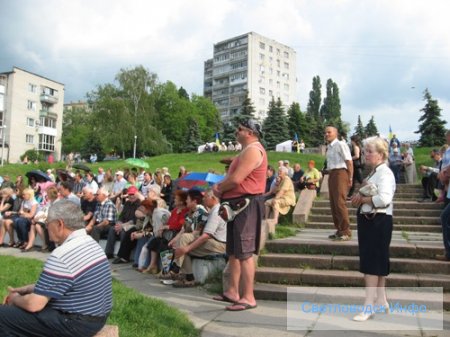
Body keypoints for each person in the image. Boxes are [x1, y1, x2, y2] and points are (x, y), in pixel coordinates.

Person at [0, 200, 112, 336]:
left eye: (48, 223)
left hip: (76, 323)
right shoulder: (91, 244)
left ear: (59, 224)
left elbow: (33, 305)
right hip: (98, 317)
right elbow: (65, 284)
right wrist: (27, 289)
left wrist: (14, 299)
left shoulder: (63, 254)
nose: (46, 227)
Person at [212, 118, 267, 311]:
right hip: (238, 205)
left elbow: (236, 180)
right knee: (235, 252)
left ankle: (248, 297)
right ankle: (233, 292)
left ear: (250, 132)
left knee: (244, 253)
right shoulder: (246, 150)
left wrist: (218, 188)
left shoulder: (253, 150)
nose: (236, 131)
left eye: (240, 129)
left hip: (246, 204)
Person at [350, 137, 396, 321]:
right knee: (378, 263)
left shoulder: (384, 173)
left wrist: (362, 199)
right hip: (372, 220)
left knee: (371, 263)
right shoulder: (374, 173)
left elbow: (384, 199)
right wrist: (358, 198)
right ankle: (381, 300)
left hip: (378, 220)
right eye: (365, 150)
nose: (366, 154)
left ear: (381, 154)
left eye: (370, 151)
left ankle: (368, 307)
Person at [172, 189, 227, 287]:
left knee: (184, 248)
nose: (203, 199)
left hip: (219, 244)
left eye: (206, 197)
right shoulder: (213, 210)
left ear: (213, 198)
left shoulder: (216, 212)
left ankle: (180, 271)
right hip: (212, 241)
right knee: (184, 241)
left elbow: (206, 236)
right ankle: (184, 274)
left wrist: (187, 248)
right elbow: (201, 232)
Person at [325, 126, 353, 241]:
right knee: (333, 203)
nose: (326, 134)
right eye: (325, 132)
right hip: (332, 174)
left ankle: (346, 231)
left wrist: (350, 177)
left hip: (341, 173)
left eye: (329, 132)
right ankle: (339, 229)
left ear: (335, 133)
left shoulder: (341, 144)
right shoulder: (329, 147)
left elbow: (349, 161)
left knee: (340, 202)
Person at [86, 187, 117, 258]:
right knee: (86, 228)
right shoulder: (98, 204)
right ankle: (86, 250)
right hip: (101, 223)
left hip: (109, 225)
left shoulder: (109, 204)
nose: (96, 196)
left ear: (104, 195)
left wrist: (94, 227)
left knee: (95, 229)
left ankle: (94, 252)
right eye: (96, 194)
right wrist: (88, 227)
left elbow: (106, 222)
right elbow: (94, 217)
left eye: (98, 194)